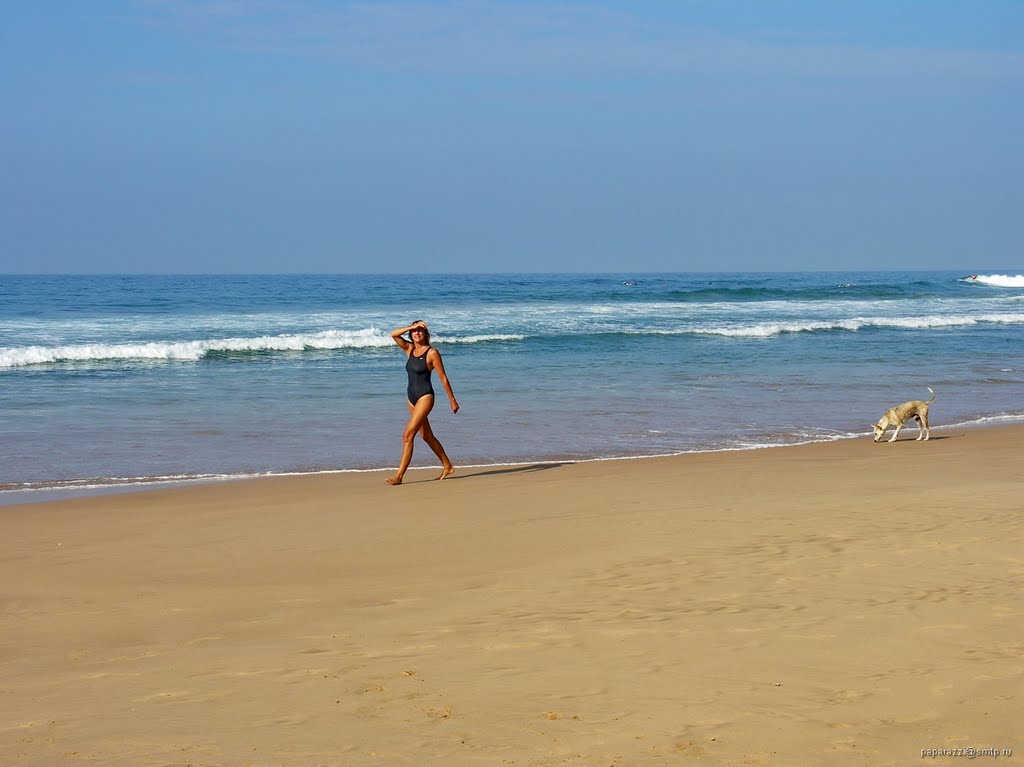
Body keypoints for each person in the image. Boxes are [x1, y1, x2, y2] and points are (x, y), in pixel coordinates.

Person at [386, 321, 459, 485]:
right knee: (426, 435)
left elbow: (443, 377)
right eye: (414, 331)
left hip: (425, 397)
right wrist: (411, 327)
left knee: (407, 435)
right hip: (410, 397)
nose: (417, 333)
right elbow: (394, 334)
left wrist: (452, 400)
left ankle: (399, 476)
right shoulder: (409, 349)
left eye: (420, 331)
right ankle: (448, 466)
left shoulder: (432, 353)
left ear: (426, 334)